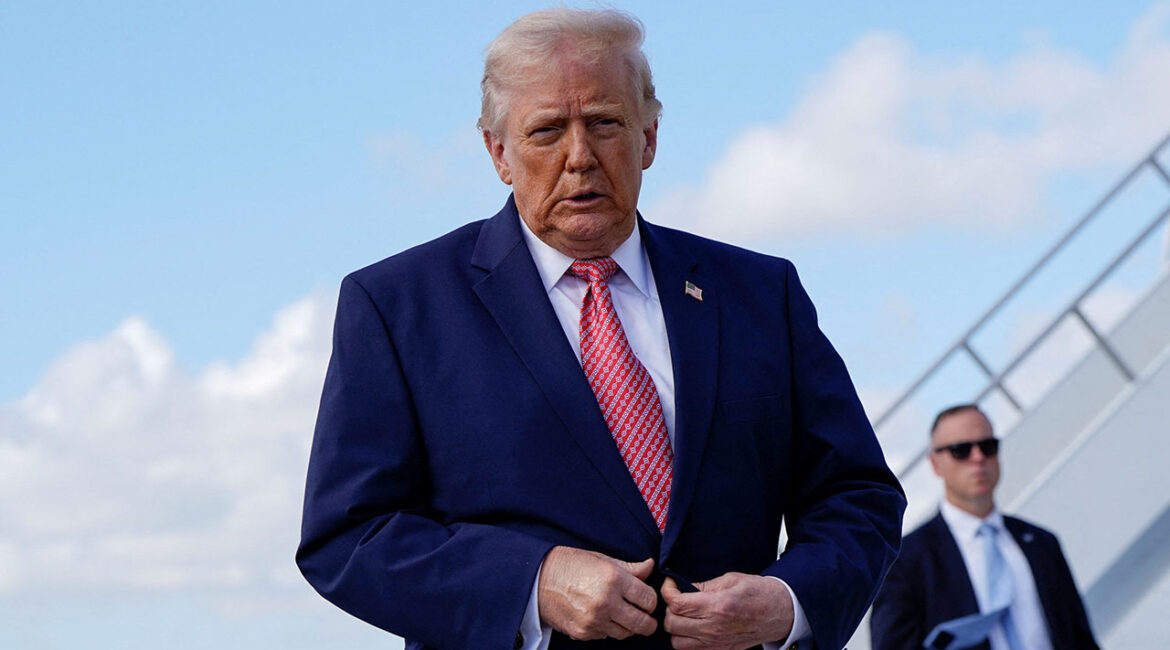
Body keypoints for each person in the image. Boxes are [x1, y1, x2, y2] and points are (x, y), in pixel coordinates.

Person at [297, 8, 904, 650]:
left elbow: (856, 493)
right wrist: (533, 584)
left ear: (649, 137)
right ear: (499, 152)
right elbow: (348, 536)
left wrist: (788, 602)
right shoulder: (396, 306)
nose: (579, 157)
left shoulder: (759, 294)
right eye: (547, 130)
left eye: (606, 123)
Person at [870, 404, 1099, 650]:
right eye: (961, 450)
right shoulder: (904, 561)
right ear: (935, 464)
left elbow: (1080, 639)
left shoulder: (1042, 543)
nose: (978, 458)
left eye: (988, 446)